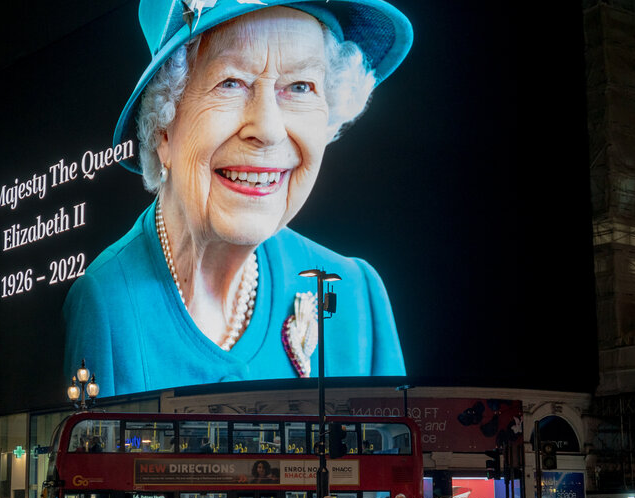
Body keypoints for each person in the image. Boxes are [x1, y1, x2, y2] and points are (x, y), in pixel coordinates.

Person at [62, 0, 412, 397]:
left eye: (300, 86)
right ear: (163, 127)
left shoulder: (353, 297)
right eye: (231, 82)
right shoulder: (106, 309)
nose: (268, 129)